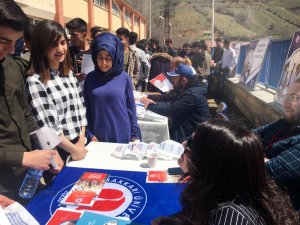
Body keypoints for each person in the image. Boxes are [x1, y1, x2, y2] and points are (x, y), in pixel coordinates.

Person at [153, 120, 299, 225]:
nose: (184, 144)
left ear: (209, 161)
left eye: (191, 142)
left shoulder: (231, 214)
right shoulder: (220, 191)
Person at [0, 0, 63, 200]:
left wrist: (48, 147)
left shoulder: (11, 67)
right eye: (3, 41)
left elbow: (26, 114)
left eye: (16, 43)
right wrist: (22, 157)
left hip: (26, 176)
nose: (11, 50)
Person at [26, 20, 88, 164]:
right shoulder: (35, 81)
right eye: (53, 45)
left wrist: (80, 142)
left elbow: (81, 108)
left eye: (62, 42)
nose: (60, 49)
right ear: (41, 47)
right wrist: (73, 150)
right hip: (60, 151)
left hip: (80, 143)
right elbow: (48, 127)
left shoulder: (69, 74)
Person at [84, 32, 141, 143]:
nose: (103, 63)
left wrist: (135, 135)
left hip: (122, 134)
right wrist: (89, 133)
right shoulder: (90, 78)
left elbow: (131, 108)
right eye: (100, 57)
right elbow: (86, 109)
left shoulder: (124, 77)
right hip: (98, 137)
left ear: (115, 57)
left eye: (108, 58)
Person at [253, 78, 300, 212]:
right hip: (255, 193)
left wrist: (252, 150)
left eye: (294, 97)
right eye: (287, 96)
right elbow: (248, 135)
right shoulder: (284, 123)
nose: (286, 103)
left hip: (273, 212)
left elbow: (266, 171)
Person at [141, 63, 211, 142]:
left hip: (194, 138)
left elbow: (171, 109)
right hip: (189, 131)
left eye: (175, 78)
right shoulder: (190, 90)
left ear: (184, 80)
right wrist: (152, 102)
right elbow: (173, 104)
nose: (172, 80)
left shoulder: (192, 95)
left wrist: (149, 105)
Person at [66, 18, 91, 87]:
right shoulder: (67, 52)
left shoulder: (96, 51)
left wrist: (90, 65)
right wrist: (74, 78)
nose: (71, 38)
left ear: (84, 35)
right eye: (70, 35)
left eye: (74, 35)